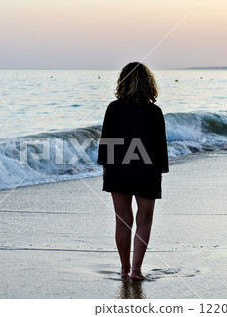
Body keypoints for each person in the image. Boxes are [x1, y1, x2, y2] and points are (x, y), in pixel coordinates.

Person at [97, 62, 169, 281]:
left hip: (119, 167)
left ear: (122, 82)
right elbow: (159, 146)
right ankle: (137, 270)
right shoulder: (155, 112)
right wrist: (160, 171)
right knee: (144, 219)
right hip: (146, 169)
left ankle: (124, 268)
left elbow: (107, 140)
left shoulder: (114, 108)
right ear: (149, 83)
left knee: (122, 220)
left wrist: (106, 166)